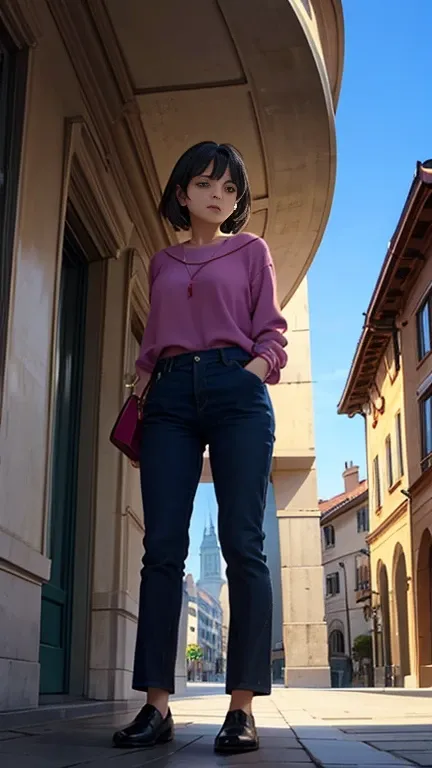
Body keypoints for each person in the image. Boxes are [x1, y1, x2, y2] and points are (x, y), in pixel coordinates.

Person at [112, 141, 288, 755]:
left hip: (234, 387)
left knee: (243, 544)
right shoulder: (161, 262)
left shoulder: (251, 251)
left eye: (230, 189)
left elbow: (271, 330)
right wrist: (143, 395)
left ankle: (241, 708)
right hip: (168, 397)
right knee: (162, 548)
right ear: (182, 193)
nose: (219, 196)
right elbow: (151, 342)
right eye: (207, 184)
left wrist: (254, 371)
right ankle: (156, 704)